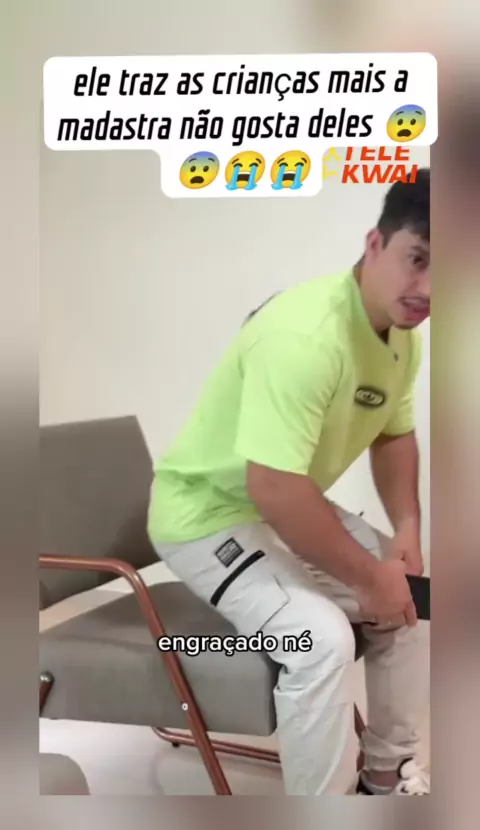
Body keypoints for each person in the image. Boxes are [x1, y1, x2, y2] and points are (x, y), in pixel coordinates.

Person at [148, 169, 431, 795]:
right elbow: (274, 488)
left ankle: (385, 776)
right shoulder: (305, 336)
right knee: (319, 641)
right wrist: (368, 577)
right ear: (375, 244)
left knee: (418, 601)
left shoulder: (401, 337)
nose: (430, 288)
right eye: (419, 259)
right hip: (205, 517)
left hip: (275, 505)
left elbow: (393, 434)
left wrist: (407, 530)